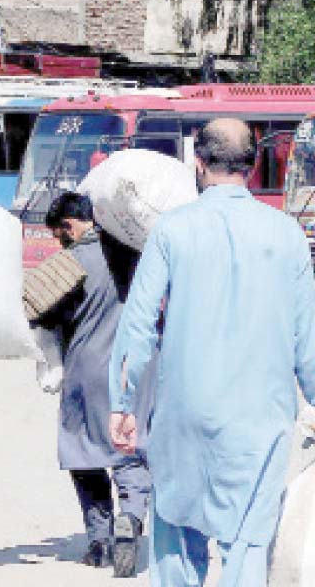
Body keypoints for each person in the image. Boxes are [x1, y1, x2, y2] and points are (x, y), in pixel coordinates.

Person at [108, 117, 315, 587]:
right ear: (256, 162)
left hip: (184, 413)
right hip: (261, 420)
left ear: (197, 165)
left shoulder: (170, 231)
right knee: (246, 544)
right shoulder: (287, 237)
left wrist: (122, 404)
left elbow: (137, 324)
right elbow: (309, 340)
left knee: (176, 539)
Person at [37, 192, 153, 578]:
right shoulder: (136, 254)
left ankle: (100, 539)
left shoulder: (71, 263)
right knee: (130, 450)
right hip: (136, 369)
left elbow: (41, 313)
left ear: (69, 226)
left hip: (87, 369)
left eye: (59, 234)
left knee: (83, 453)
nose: (60, 242)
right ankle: (132, 518)